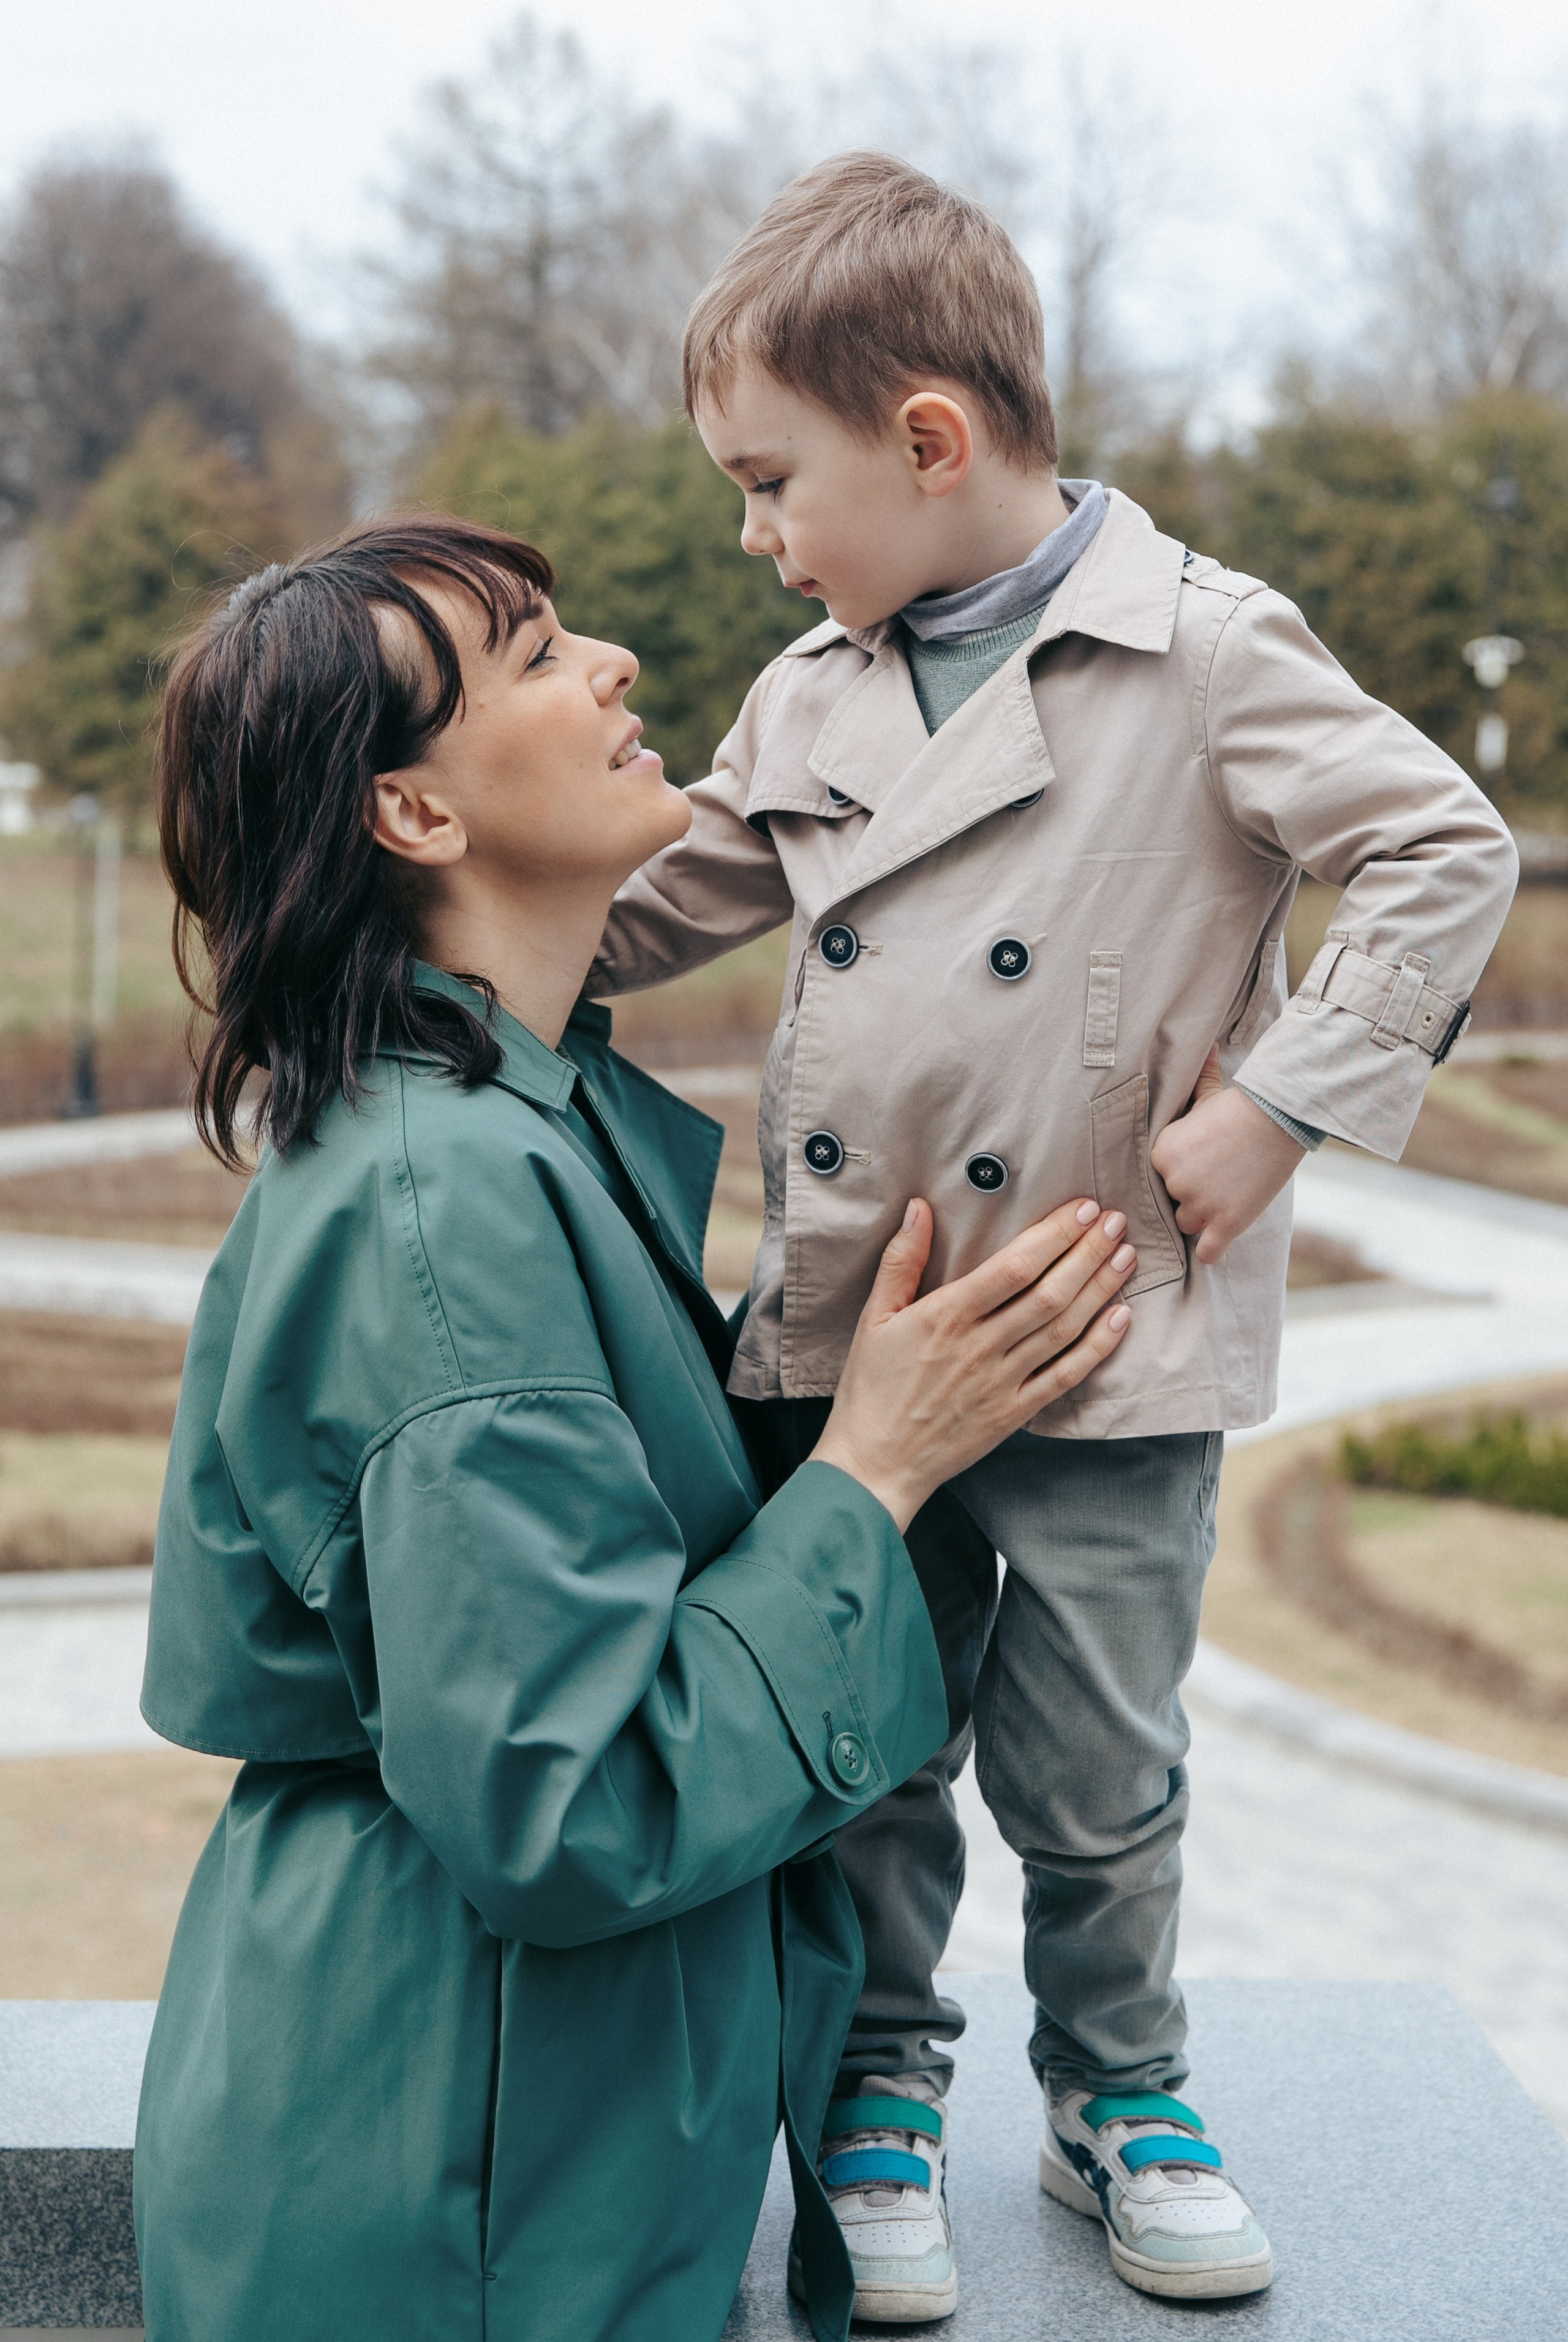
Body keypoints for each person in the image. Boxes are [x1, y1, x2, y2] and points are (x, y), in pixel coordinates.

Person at [588, 153, 1521, 2316]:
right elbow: (654, 905)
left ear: (928, 439)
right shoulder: (813, 690)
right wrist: (432, 930)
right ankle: (884, 2087)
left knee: (1098, 1771)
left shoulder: (1200, 646)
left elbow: (1440, 845)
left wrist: (1281, 1106)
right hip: (861, 1335)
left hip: (1111, 1331)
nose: (755, 536)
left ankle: (1122, 2089)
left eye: (768, 481)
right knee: (877, 1747)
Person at [132, 513, 1138, 2342]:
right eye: (530, 656)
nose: (611, 668)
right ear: (415, 817)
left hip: (513, 2139)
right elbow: (566, 1796)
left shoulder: (514, 1125)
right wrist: (873, 1472)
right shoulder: (442, 1211)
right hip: (457, 2201)